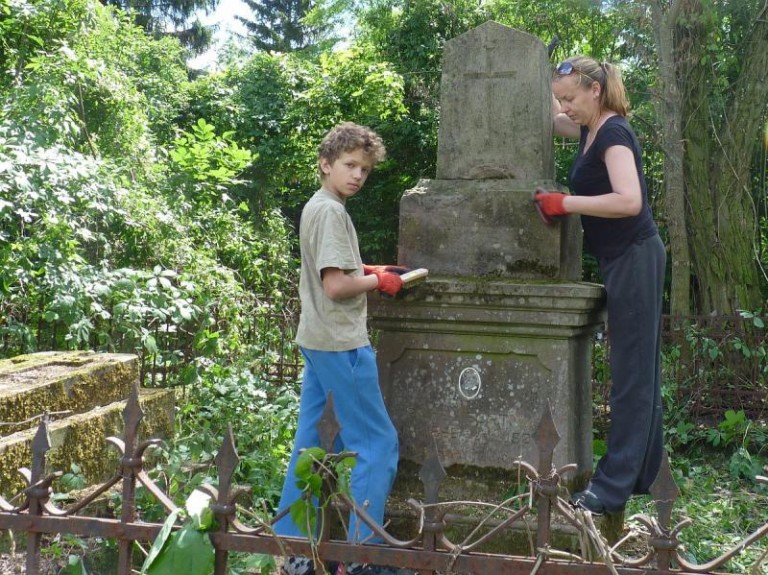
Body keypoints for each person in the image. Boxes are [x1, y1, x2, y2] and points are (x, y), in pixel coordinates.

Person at [275, 122, 412, 575]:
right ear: (326, 163)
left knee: (311, 445)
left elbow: (329, 269)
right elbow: (335, 286)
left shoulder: (318, 206)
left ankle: (293, 549)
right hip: (340, 343)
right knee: (377, 444)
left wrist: (367, 267)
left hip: (316, 339)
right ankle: (362, 558)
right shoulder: (332, 212)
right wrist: (382, 281)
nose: (357, 175)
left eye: (365, 169)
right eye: (349, 165)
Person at [534, 56, 666, 516]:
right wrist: (546, 73)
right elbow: (550, 118)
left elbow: (629, 200)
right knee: (639, 366)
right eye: (563, 97)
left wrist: (565, 202)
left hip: (635, 255)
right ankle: (643, 472)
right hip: (621, 259)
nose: (565, 107)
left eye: (572, 97)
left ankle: (608, 491)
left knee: (631, 374)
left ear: (596, 89)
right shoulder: (588, 129)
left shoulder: (612, 132)